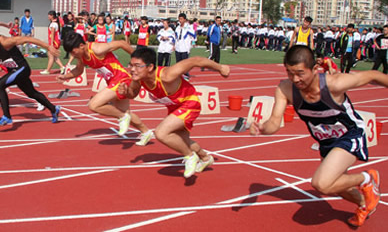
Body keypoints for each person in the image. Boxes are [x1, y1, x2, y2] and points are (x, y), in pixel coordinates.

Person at [250, 45, 385, 227]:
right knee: (336, 185)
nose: (295, 79)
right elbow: (274, 121)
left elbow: (373, 75)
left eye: (300, 73)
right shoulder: (285, 89)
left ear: (315, 69)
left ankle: (367, 178)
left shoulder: (334, 84)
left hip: (349, 135)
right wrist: (263, 128)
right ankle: (364, 203)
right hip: (326, 142)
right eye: (290, 73)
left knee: (322, 183)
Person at [119, 48, 230, 178]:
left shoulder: (167, 75)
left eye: (137, 66)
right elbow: (133, 93)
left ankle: (190, 157)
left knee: (161, 133)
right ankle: (205, 158)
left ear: (150, 67)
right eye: (131, 65)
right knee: (181, 140)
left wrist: (221, 67)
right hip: (174, 107)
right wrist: (125, 92)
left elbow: (196, 60)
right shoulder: (138, 78)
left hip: (189, 103)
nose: (132, 69)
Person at [58, 32, 152, 146]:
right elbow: (78, 70)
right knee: (126, 113)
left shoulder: (97, 49)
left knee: (94, 105)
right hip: (112, 82)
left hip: (121, 79)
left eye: (73, 51)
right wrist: (65, 76)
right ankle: (146, 132)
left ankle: (122, 117)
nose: (72, 55)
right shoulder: (82, 56)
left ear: (81, 46)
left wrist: (140, 60)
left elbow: (122, 43)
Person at [0, 20, 61, 125]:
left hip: (22, 69)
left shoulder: (5, 41)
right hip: (15, 71)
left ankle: (7, 117)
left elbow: (27, 38)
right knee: (32, 93)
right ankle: (54, 109)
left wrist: (48, 47)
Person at [41, 11, 65, 75]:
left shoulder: (53, 24)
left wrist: (51, 44)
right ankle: (62, 67)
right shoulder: (55, 23)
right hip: (56, 42)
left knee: (51, 56)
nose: (48, 16)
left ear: (52, 16)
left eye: (49, 15)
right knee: (54, 57)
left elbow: (53, 34)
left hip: (54, 43)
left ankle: (48, 70)